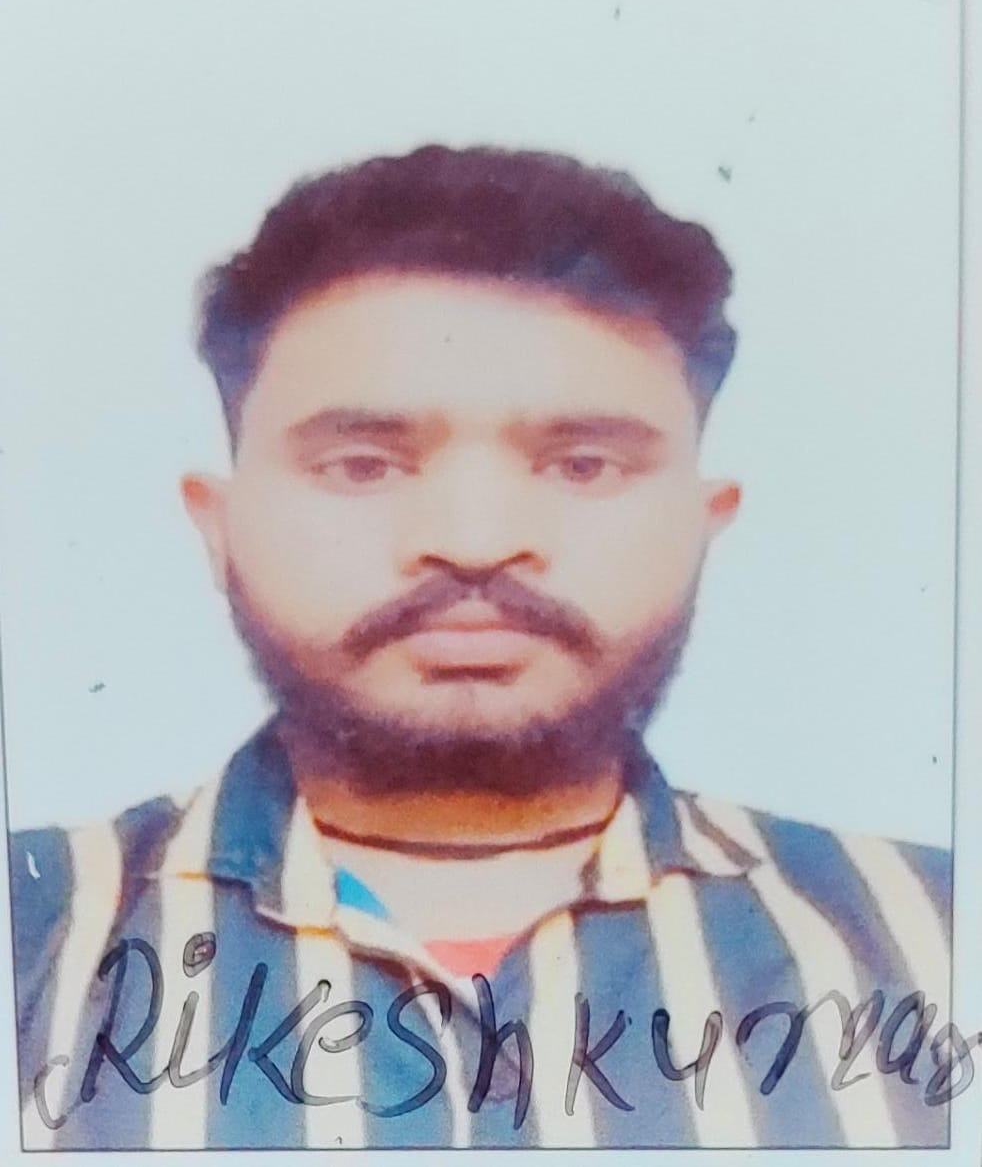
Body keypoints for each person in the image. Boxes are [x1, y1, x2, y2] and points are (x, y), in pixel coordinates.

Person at [9, 145, 952, 1150]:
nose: (473, 539)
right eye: (364, 464)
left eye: (582, 464)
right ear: (220, 529)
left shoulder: (938, 936)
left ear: (702, 523)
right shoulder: (33, 932)